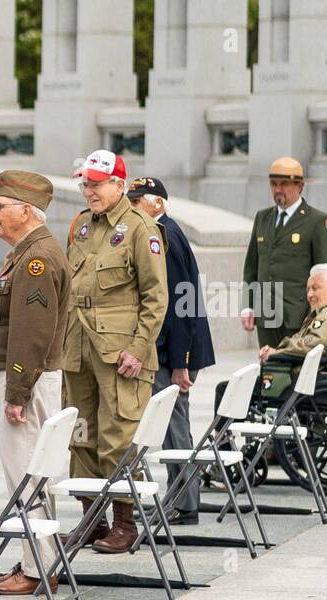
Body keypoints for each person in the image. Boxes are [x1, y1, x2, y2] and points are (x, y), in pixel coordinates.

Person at [63, 149, 168, 554]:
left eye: (96, 183)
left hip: (120, 352)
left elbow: (156, 298)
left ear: (119, 185)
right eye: (85, 183)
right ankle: (92, 519)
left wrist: (139, 348)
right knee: (81, 435)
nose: (88, 190)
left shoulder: (142, 229)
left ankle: (125, 522)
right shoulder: (83, 227)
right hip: (79, 347)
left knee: (118, 436)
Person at [0, 170, 71, 596]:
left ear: (25, 210)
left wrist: (16, 393)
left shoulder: (37, 259)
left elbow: (31, 334)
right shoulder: (28, 253)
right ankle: (39, 561)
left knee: (26, 477)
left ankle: (38, 570)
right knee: (31, 474)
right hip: (28, 382)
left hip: (25, 384)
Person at [127, 177, 216, 525]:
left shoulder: (167, 236)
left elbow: (183, 305)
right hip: (170, 351)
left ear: (158, 204)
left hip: (177, 352)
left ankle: (185, 503)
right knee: (171, 426)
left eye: (138, 201)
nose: (133, 207)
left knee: (175, 428)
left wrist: (181, 364)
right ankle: (179, 497)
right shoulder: (157, 233)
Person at [241, 157, 327, 349]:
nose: (278, 189)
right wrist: (248, 305)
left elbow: (326, 277)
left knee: (296, 374)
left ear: (300, 185)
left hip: (299, 317)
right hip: (267, 315)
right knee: (269, 371)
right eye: (274, 184)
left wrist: (319, 318)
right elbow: (252, 266)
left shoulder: (318, 222)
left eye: (285, 184)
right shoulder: (263, 218)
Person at [260, 264, 327, 362]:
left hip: (315, 372)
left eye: (315, 288)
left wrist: (278, 352)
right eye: (308, 289)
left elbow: (316, 342)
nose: (309, 295)